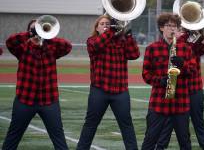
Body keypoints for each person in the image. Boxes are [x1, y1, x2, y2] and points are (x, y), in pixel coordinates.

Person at [2, 19, 72, 150]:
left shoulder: (51, 48)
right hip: (25, 100)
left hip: (49, 101)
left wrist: (47, 36)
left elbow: (67, 46)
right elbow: (9, 42)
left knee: (59, 139)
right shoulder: (22, 49)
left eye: (39, 28)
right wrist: (29, 34)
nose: (37, 32)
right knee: (13, 137)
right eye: (34, 29)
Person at [76, 15, 139, 150]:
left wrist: (129, 37)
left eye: (108, 23)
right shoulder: (92, 40)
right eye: (102, 24)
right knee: (90, 124)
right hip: (99, 90)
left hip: (120, 91)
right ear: (97, 28)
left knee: (126, 125)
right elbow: (98, 46)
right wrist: (110, 30)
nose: (105, 25)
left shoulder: (121, 41)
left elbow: (134, 55)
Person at [141, 12, 197, 150]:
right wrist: (160, 80)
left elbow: (193, 71)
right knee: (150, 139)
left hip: (180, 102)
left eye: (175, 26)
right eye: (169, 25)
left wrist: (182, 65)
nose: (172, 29)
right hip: (159, 102)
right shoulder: (152, 48)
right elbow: (146, 74)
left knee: (185, 142)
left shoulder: (186, 49)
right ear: (161, 28)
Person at [156, 27, 204, 150]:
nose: (181, 33)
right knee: (169, 122)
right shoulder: (172, 44)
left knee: (198, 121)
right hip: (177, 89)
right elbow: (178, 41)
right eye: (180, 30)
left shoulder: (193, 45)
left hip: (194, 88)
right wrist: (186, 33)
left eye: (182, 30)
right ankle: (161, 147)